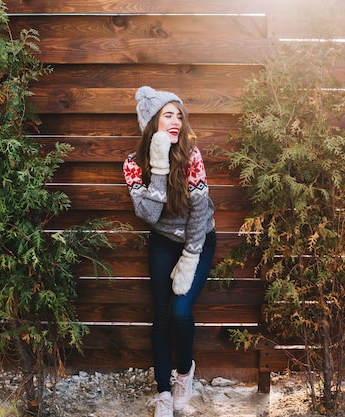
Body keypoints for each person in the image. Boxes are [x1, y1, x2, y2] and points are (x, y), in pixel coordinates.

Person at [123, 86, 216, 416]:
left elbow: (200, 210)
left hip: (198, 242)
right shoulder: (134, 163)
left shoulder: (192, 154)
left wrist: (190, 257)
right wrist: (159, 164)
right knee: (162, 315)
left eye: (180, 115)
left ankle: (184, 375)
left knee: (180, 311)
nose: (176, 121)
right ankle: (164, 391)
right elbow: (149, 215)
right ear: (151, 122)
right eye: (168, 115)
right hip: (162, 242)